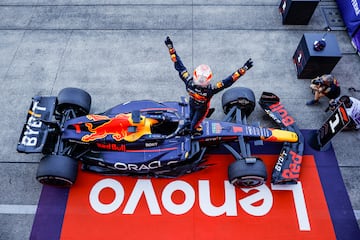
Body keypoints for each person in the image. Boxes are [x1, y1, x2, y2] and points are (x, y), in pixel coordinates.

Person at [164, 36, 253, 135]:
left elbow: (178, 65)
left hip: (198, 107)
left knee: (193, 125)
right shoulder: (211, 89)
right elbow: (228, 81)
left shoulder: (188, 81)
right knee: (191, 120)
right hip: (197, 106)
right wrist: (243, 70)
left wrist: (171, 48)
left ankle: (194, 131)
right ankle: (193, 127)